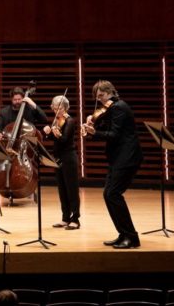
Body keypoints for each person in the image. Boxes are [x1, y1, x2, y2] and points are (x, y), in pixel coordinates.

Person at [82, 80, 142, 249]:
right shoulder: (112, 109)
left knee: (113, 194)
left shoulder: (119, 107)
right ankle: (124, 234)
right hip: (118, 158)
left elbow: (114, 134)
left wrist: (95, 132)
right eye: (97, 97)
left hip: (127, 158)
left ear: (110, 92)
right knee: (109, 194)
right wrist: (92, 122)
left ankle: (132, 237)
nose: (100, 99)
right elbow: (106, 126)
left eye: (101, 95)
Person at [43, 95, 80, 229]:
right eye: (55, 108)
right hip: (58, 158)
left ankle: (75, 219)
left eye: (60, 108)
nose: (57, 111)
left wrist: (56, 134)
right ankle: (65, 218)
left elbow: (64, 140)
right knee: (62, 189)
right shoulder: (57, 121)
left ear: (66, 108)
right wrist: (48, 132)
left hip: (68, 158)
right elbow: (52, 139)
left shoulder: (70, 121)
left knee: (71, 189)